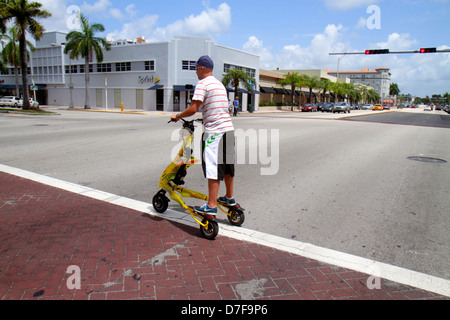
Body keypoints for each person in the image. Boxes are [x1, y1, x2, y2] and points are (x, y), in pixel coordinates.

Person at [170, 55, 236, 215]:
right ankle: (229, 197)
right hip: (228, 130)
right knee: (227, 167)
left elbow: (193, 108)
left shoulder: (203, 83)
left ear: (202, 68)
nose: (195, 71)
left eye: (196, 68)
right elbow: (216, 107)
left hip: (215, 132)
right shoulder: (219, 84)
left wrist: (178, 116)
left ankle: (211, 205)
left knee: (213, 167)